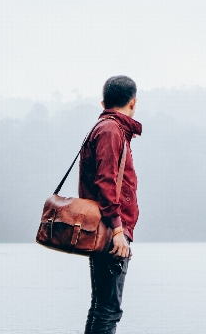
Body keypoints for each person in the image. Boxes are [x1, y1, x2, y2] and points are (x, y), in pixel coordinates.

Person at [78, 75, 142, 333]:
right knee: (108, 310)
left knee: (101, 308)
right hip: (108, 230)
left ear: (104, 101)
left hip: (107, 229)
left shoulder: (106, 128)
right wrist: (118, 231)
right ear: (133, 102)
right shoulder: (111, 130)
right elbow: (105, 182)